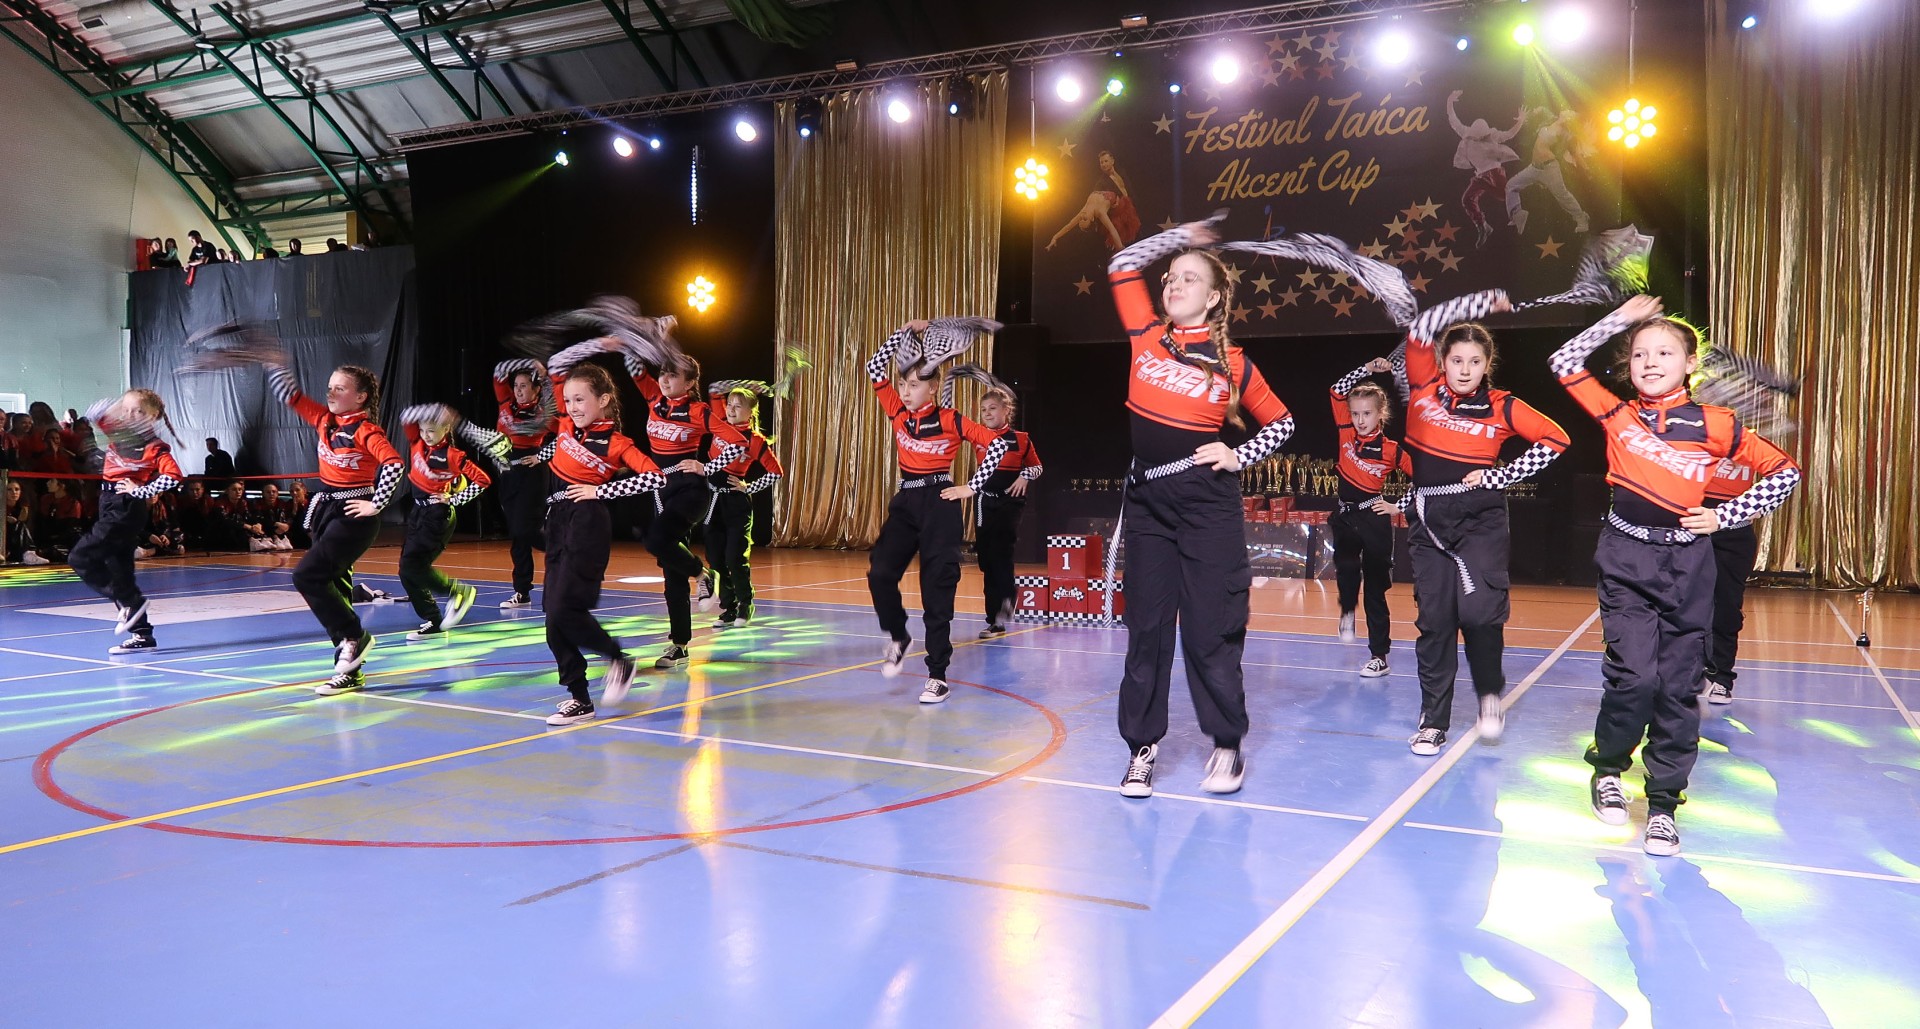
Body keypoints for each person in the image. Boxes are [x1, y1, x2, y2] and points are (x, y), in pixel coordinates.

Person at [1551, 299, 1801, 856]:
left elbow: (1785, 471)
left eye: (1664, 353)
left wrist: (1726, 515)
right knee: (1635, 678)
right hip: (1625, 559)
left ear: (1690, 363)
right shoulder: (1617, 414)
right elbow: (1564, 362)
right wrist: (1616, 321)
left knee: (1677, 688)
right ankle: (1608, 769)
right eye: (1640, 353)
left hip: (1688, 565)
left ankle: (1663, 804)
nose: (1650, 362)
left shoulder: (1717, 424)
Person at [1103, 219, 1297, 798]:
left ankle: (1226, 743)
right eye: (1171, 276)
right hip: (1148, 502)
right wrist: (1177, 236)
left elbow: (1283, 422)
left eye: (1190, 278)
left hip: (1206, 505)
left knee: (1211, 629)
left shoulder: (1234, 363)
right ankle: (1141, 747)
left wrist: (1239, 454)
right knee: (1147, 629)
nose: (1174, 283)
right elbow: (1122, 266)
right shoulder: (1146, 335)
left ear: (1213, 299)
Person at [1400, 291, 1569, 757]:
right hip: (1429, 519)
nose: (1464, 369)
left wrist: (1502, 474)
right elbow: (1420, 327)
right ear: (1442, 361)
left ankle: (1489, 693)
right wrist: (1474, 303)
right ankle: (1433, 721)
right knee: (1435, 621)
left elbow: (1556, 439)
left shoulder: (1502, 404)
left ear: (1487, 364)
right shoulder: (1422, 389)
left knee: (1478, 614)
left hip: (1480, 518)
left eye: (1475, 361)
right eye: (1456, 360)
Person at [864, 321, 1010, 704]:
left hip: (940, 503)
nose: (905, 391)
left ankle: (937, 675)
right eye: (903, 384)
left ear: (932, 388)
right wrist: (901, 332)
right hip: (906, 502)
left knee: (937, 591)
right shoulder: (897, 412)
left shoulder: (951, 419)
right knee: (880, 573)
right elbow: (874, 367)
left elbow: (997, 446)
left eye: (914, 385)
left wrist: (971, 487)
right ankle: (898, 636)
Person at [523, 345, 667, 725]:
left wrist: (600, 491)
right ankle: (580, 699)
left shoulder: (617, 443)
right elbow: (556, 364)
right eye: (568, 400)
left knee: (563, 610)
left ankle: (618, 659)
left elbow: (655, 478)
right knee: (553, 621)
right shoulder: (566, 426)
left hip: (587, 524)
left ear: (603, 400)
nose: (572, 406)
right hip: (558, 522)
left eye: (580, 399)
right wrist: (599, 344)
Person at [252, 351, 405, 695]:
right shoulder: (324, 418)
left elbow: (394, 464)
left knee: (307, 575)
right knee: (336, 588)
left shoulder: (366, 430)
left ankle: (355, 635)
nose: (331, 392)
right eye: (330, 387)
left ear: (360, 397)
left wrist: (376, 504)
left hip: (353, 514)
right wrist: (273, 363)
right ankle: (349, 670)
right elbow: (290, 396)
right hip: (327, 509)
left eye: (340, 388)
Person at [614, 345, 746, 669]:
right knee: (671, 569)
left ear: (689, 383)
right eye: (663, 372)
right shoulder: (654, 398)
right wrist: (639, 339)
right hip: (661, 491)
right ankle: (680, 646)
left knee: (656, 540)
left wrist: (707, 467)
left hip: (690, 491)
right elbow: (633, 363)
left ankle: (704, 574)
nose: (664, 379)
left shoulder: (698, 411)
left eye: (673, 375)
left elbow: (738, 442)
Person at [69, 390, 183, 654]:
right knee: (120, 570)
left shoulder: (154, 446)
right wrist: (116, 408)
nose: (130, 415)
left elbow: (174, 476)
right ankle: (142, 634)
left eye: (138, 411)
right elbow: (95, 411)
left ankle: (130, 602)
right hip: (108, 502)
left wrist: (141, 491)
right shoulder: (121, 434)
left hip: (125, 507)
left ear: (152, 417)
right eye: (127, 410)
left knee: (80, 557)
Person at [1329, 357, 1413, 677]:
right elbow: (1336, 391)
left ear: (1380, 414)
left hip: (1374, 519)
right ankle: (1347, 610)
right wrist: (1365, 369)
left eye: (1367, 414)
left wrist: (1399, 506)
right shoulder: (1345, 431)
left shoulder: (1392, 449)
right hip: (1346, 516)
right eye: (1355, 414)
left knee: (1376, 591)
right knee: (1347, 567)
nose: (1360, 420)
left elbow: (1424, 476)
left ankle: (1379, 656)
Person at [394, 403, 492, 641]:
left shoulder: (452, 455)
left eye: (432, 430)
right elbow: (405, 416)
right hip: (418, 513)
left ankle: (458, 592)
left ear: (446, 429)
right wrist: (436, 410)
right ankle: (434, 621)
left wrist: (455, 499)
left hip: (437, 516)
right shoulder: (417, 442)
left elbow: (483, 480)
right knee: (407, 572)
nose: (426, 435)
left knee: (412, 567)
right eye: (423, 430)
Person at [964, 374, 1042, 637]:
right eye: (983, 409)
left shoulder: (1021, 439)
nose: (987, 413)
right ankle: (995, 616)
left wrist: (1025, 475)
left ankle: (1001, 610)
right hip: (984, 501)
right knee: (986, 559)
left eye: (992, 408)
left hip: (1010, 501)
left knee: (1001, 551)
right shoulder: (979, 436)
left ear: (1006, 410)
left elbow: (1038, 467)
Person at [704, 382, 784, 629]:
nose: (731, 409)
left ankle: (745, 604)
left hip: (735, 504)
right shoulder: (720, 422)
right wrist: (748, 386)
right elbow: (714, 388)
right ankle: (728, 608)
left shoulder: (755, 441)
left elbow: (776, 472)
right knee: (714, 557)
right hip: (712, 501)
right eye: (729, 404)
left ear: (750, 412)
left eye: (738, 406)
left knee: (734, 557)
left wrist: (748, 487)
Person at [491, 358, 559, 608]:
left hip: (532, 473)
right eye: (516, 386)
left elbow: (567, 434)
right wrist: (527, 362)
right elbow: (499, 371)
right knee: (517, 536)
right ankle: (522, 592)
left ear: (536, 389)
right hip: (509, 474)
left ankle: (562, 550)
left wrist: (542, 455)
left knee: (525, 530)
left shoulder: (543, 414)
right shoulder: (506, 404)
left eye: (524, 386)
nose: (518, 390)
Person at [1446, 91, 1527, 248]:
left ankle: (1518, 211)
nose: (1479, 139)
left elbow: (1509, 134)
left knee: (1504, 195)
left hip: (1494, 171)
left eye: (1481, 137)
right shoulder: (1466, 133)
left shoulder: (1492, 135)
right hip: (1480, 175)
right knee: (1467, 199)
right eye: (1476, 137)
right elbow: (1453, 120)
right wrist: (1449, 101)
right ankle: (1483, 226)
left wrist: (1521, 121)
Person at [1507, 108, 1591, 235]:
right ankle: (1518, 214)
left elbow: (1575, 154)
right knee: (1511, 185)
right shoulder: (1549, 119)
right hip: (1534, 167)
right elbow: (1540, 111)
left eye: (1571, 116)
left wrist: (1586, 169)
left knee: (1562, 195)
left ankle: (1581, 218)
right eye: (1568, 112)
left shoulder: (1566, 134)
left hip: (1550, 168)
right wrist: (1535, 112)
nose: (1568, 114)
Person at [1045, 150, 1142, 252]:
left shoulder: (1084, 210)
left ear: (1112, 161)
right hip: (1120, 207)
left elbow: (1068, 226)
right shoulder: (1100, 212)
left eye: (1105, 161)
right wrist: (1120, 248)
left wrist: (1055, 237)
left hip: (1124, 196)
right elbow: (1112, 230)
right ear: (1091, 219)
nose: (1082, 216)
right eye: (1084, 219)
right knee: (1128, 228)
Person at [5, 479, 48, 565]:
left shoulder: (22, 507)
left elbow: (24, 524)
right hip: (4, 539)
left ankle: (29, 554)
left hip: (15, 543)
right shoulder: (3, 506)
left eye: (17, 489)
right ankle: (29, 553)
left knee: (20, 525)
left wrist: (18, 519)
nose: (14, 492)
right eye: (9, 489)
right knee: (19, 524)